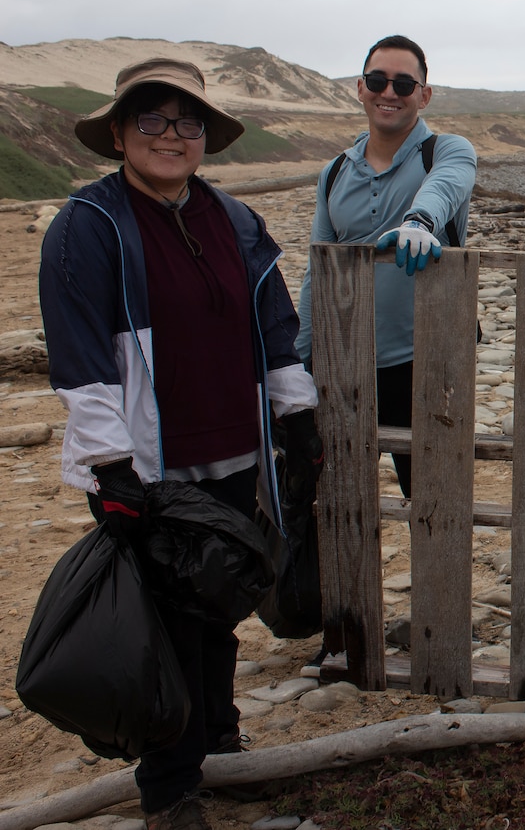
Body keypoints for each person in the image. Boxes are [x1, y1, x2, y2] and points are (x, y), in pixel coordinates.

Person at [39, 58, 321, 830]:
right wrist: (111, 466)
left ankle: (219, 743)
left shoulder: (232, 219)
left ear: (206, 137)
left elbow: (274, 324)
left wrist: (296, 416)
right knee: (164, 622)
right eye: (153, 121)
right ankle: (169, 788)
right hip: (149, 466)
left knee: (219, 602)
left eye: (187, 122)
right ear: (122, 134)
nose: (171, 136)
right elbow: (80, 356)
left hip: (234, 450)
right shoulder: (88, 226)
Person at [294, 35, 477, 497]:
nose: (389, 92)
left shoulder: (449, 150)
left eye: (403, 83)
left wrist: (419, 221)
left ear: (424, 94)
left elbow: (445, 188)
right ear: (360, 88)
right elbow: (319, 268)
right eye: (378, 80)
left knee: (435, 502)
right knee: (337, 501)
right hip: (345, 360)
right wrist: (299, 358)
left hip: (429, 358)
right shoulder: (335, 172)